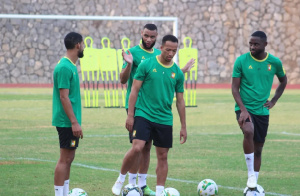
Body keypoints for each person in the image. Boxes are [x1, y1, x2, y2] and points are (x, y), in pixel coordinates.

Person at [118, 24, 194, 196]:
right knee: (138, 146)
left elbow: (164, 76)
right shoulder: (133, 53)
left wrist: (181, 71)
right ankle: (130, 184)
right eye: (146, 36)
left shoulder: (158, 56)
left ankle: (142, 185)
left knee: (147, 148)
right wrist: (129, 65)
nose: (149, 40)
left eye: (152, 37)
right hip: (138, 106)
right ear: (141, 34)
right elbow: (123, 80)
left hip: (159, 111)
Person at [231, 31, 287, 189]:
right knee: (248, 131)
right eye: (250, 43)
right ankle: (250, 174)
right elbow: (235, 89)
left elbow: (283, 80)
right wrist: (242, 109)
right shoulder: (241, 61)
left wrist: (274, 100)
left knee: (259, 149)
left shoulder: (274, 62)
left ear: (265, 45)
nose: (252, 46)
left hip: (262, 111)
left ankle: (253, 184)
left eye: (256, 44)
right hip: (244, 108)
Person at [52, 32, 85, 196]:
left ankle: (64, 192)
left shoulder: (70, 66)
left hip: (69, 120)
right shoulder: (65, 67)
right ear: (78, 45)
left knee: (69, 159)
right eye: (83, 44)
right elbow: (63, 96)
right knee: (64, 159)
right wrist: (74, 122)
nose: (83, 47)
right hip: (66, 121)